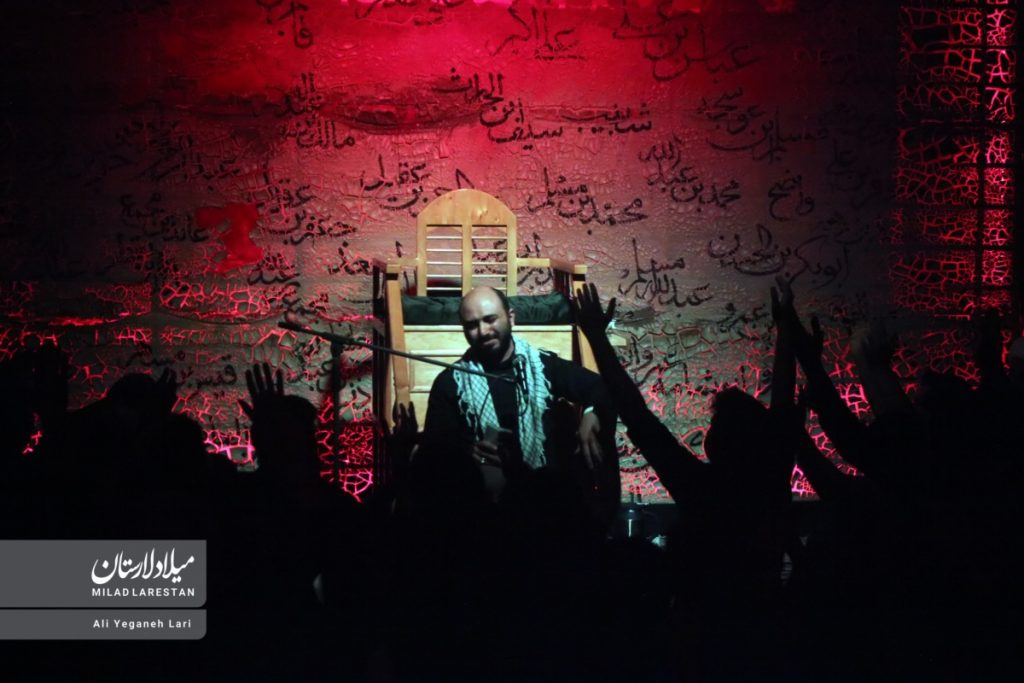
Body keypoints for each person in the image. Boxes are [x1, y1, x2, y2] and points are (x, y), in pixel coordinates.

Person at [419, 286, 618, 510]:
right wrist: (469, 455)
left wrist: (591, 414)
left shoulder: (541, 365)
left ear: (511, 318)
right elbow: (435, 454)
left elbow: (600, 387)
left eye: (490, 320)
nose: (483, 331)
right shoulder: (450, 382)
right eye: (472, 325)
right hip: (482, 507)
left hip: (545, 504)